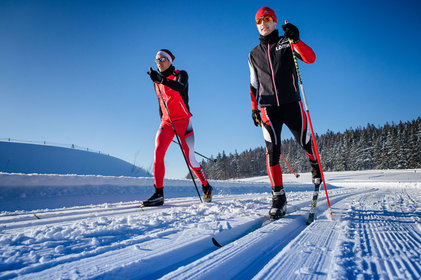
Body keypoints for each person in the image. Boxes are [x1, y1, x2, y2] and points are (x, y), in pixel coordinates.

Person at [248, 7, 321, 219]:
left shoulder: (286, 42)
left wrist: (296, 40)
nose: (264, 24)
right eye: (259, 21)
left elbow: (310, 58)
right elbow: (253, 85)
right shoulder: (253, 54)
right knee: (272, 151)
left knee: (305, 141)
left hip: (291, 103)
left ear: (274, 21)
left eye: (268, 19)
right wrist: (254, 108)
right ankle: (278, 197)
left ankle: (314, 165)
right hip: (268, 108)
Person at [143, 49, 213, 206]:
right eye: (157, 60)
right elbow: (161, 101)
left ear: (169, 61)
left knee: (191, 160)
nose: (159, 63)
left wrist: (161, 80)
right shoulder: (157, 82)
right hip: (167, 123)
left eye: (162, 59)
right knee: (158, 153)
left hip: (183, 122)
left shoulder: (181, 74)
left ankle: (206, 186)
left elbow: (180, 87)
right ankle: (158, 193)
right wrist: (162, 118)